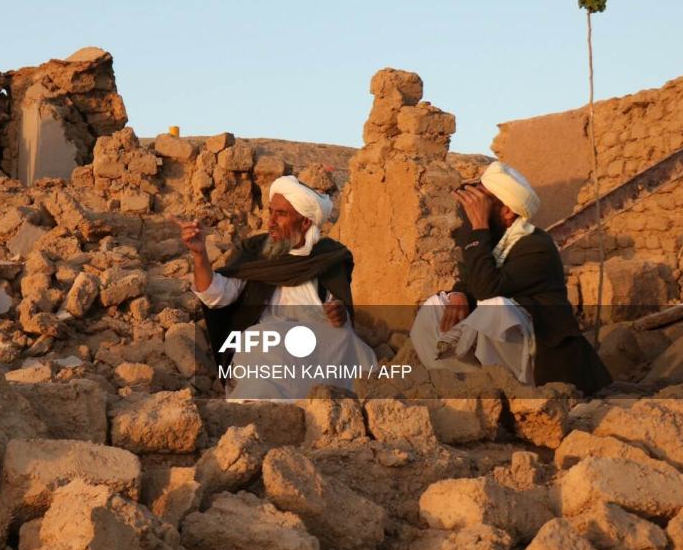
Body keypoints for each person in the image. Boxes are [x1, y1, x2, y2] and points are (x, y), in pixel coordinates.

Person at [410, 161, 611, 394]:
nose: (475, 207)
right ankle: (462, 384)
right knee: (436, 306)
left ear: (507, 211)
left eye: (483, 202)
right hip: (503, 343)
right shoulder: (495, 238)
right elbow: (471, 278)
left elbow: (488, 289)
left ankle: (509, 390)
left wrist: (479, 226)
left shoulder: (536, 245)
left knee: (496, 309)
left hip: (539, 354)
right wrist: (458, 294)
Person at [178, 175, 376, 399]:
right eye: (271, 211)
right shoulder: (255, 251)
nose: (270, 222)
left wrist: (340, 315)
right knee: (260, 338)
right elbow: (214, 295)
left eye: (280, 214)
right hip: (269, 347)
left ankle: (329, 397)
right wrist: (199, 254)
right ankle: (266, 401)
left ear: (305, 223)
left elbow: (339, 310)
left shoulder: (327, 257)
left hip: (316, 346)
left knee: (346, 340)